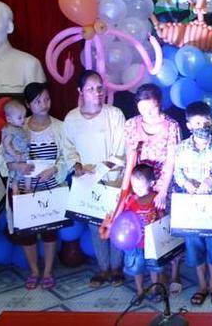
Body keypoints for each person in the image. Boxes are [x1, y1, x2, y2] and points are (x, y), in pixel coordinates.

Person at [4, 83, 74, 291]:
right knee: (27, 233)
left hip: (50, 187)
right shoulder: (18, 126)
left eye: (46, 99)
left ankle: (48, 271)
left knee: (49, 232)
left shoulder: (60, 127)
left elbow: (67, 156)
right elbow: (2, 157)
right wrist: (17, 166)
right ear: (27, 104)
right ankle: (34, 271)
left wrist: (54, 169)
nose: (44, 104)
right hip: (23, 190)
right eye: (37, 101)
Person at [114, 83, 182, 293]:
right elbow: (130, 160)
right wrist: (127, 191)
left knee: (168, 230)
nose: (147, 113)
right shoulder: (131, 125)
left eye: (151, 109)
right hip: (140, 187)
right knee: (143, 231)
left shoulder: (171, 126)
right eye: (142, 109)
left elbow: (171, 161)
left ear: (159, 103)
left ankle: (174, 274)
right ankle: (151, 276)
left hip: (164, 186)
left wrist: (162, 191)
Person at [62, 70, 127, 289]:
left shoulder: (114, 114)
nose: (97, 92)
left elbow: (121, 148)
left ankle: (117, 267)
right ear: (80, 91)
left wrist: (102, 170)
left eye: (99, 88)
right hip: (87, 182)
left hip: (112, 179)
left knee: (114, 223)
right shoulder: (71, 118)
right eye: (90, 89)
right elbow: (68, 149)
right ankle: (103, 268)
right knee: (94, 226)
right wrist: (77, 166)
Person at [174, 101, 212, 306]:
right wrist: (187, 184)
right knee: (194, 246)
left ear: (211, 121)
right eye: (197, 123)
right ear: (189, 125)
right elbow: (177, 173)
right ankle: (201, 285)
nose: (203, 126)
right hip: (190, 206)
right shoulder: (182, 147)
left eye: (206, 121)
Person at [120, 165, 164, 304]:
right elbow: (125, 219)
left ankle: (154, 289)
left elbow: (161, 218)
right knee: (137, 267)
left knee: (154, 267)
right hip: (136, 243)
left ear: (151, 183)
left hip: (152, 242)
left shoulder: (156, 198)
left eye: (141, 186)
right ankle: (139, 290)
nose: (137, 189)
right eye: (134, 186)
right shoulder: (130, 200)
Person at [0, 100, 30, 167]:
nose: (23, 120)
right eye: (19, 118)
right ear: (9, 119)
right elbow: (6, 145)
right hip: (14, 157)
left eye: (24, 117)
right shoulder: (10, 131)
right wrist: (14, 154)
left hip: (22, 154)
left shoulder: (18, 127)